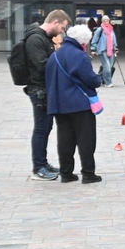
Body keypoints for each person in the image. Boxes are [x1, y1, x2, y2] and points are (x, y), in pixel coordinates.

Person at [45, 24, 102, 184]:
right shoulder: (78, 55)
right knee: (86, 139)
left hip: (58, 104)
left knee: (65, 139)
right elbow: (90, 79)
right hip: (79, 104)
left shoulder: (55, 55)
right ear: (83, 42)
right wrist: (98, 79)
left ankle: (66, 173)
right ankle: (88, 173)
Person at [24, 10, 71, 180]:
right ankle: (38, 167)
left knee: (46, 127)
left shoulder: (43, 37)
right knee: (41, 128)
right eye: (62, 28)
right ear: (55, 22)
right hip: (38, 89)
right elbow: (42, 65)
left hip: (45, 89)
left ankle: (43, 163)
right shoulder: (36, 39)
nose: (61, 32)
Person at [89, 15, 118, 88]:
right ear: (102, 21)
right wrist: (93, 49)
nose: (106, 22)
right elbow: (94, 40)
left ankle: (101, 79)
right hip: (102, 50)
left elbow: (113, 39)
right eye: (104, 20)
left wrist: (115, 47)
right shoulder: (100, 30)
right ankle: (108, 82)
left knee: (109, 67)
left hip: (111, 50)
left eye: (107, 20)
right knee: (107, 67)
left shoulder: (111, 29)